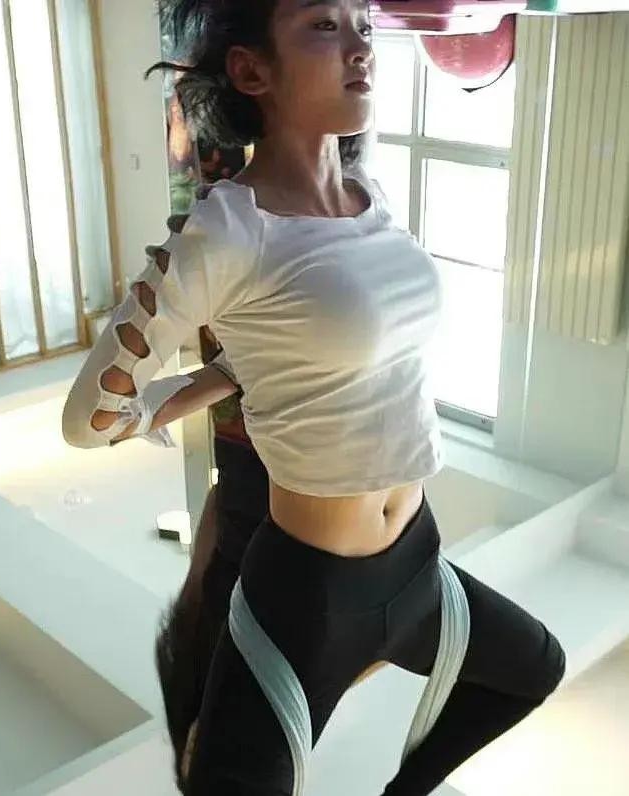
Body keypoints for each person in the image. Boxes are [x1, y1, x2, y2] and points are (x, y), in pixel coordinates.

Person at [62, 1, 566, 794]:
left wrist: (243, 367)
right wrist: (171, 392)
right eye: (324, 25)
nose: (360, 44)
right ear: (251, 70)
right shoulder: (227, 231)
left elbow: (318, 338)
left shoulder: (370, 194)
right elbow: (88, 423)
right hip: (307, 600)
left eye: (362, 22)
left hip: (418, 564)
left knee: (535, 667)